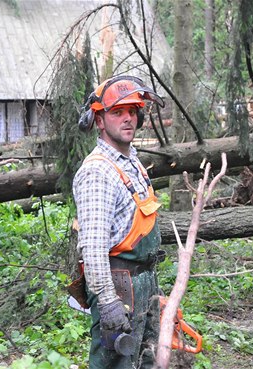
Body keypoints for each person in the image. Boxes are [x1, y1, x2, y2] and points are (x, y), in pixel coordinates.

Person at [72, 75, 165, 368]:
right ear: (99, 120)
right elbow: (94, 248)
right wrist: (108, 301)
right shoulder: (98, 172)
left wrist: (152, 286)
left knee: (145, 360)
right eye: (117, 112)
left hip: (143, 282)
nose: (128, 119)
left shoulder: (131, 162)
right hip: (118, 287)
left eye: (132, 111)